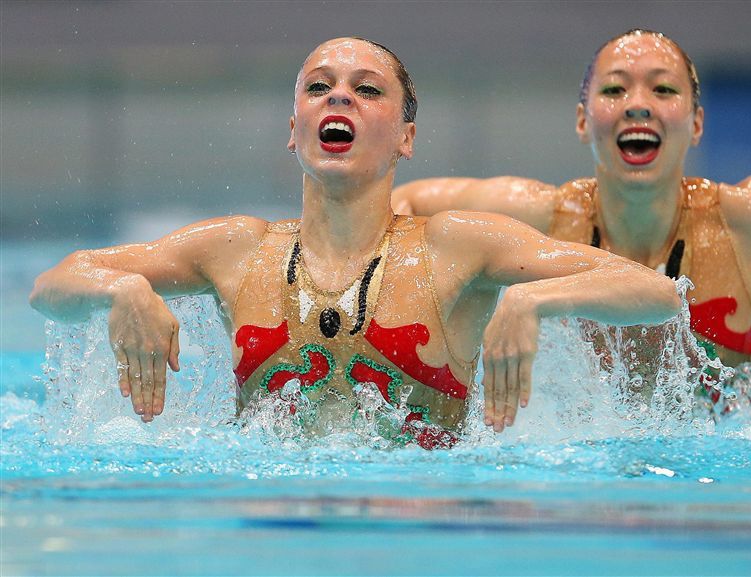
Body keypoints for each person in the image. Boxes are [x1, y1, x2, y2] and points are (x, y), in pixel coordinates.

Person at [29, 37, 682, 447]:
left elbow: (652, 289)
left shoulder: (455, 244)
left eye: (366, 89)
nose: (338, 94)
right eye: (319, 87)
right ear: (295, 128)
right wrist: (121, 288)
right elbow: (51, 284)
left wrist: (537, 302)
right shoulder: (238, 249)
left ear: (406, 137)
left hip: (422, 525)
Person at [392, 29, 751, 407]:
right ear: (583, 122)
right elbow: (406, 205)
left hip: (727, 479)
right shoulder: (544, 216)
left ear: (696, 124)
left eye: (663, 89)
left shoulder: (742, 216)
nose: (637, 104)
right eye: (614, 89)